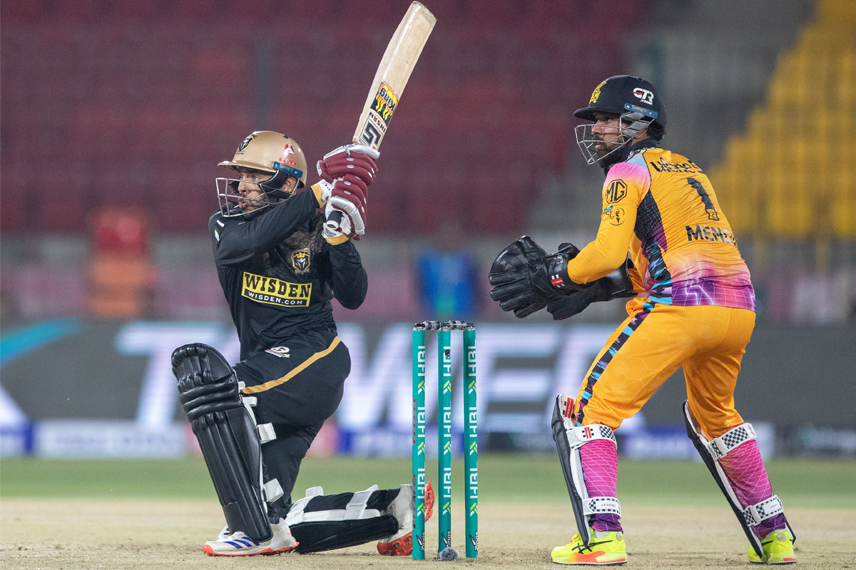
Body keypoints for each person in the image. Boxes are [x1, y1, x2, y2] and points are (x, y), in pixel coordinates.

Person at [488, 76, 795, 565]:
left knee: (586, 413)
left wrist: (558, 276)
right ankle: (775, 536)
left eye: (607, 120)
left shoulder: (625, 172)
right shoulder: (690, 170)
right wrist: (596, 289)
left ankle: (602, 538)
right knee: (717, 419)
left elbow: (606, 253)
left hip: (681, 307)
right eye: (596, 121)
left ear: (637, 124)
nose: (597, 130)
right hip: (738, 306)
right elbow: (657, 257)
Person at [171, 131, 432, 557]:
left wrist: (339, 241)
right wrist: (321, 192)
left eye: (254, 175)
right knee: (274, 515)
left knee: (220, 391)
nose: (241, 185)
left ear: (288, 182)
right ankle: (396, 509)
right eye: (241, 175)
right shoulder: (227, 225)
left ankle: (250, 531)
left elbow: (354, 296)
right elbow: (246, 244)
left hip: (316, 362)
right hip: (274, 378)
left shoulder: (319, 227)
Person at [416, 217, 480, 321]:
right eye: (446, 234)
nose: (449, 238)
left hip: (464, 313)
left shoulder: (468, 260)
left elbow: (476, 289)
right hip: (432, 313)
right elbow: (421, 288)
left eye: (454, 234)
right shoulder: (427, 261)